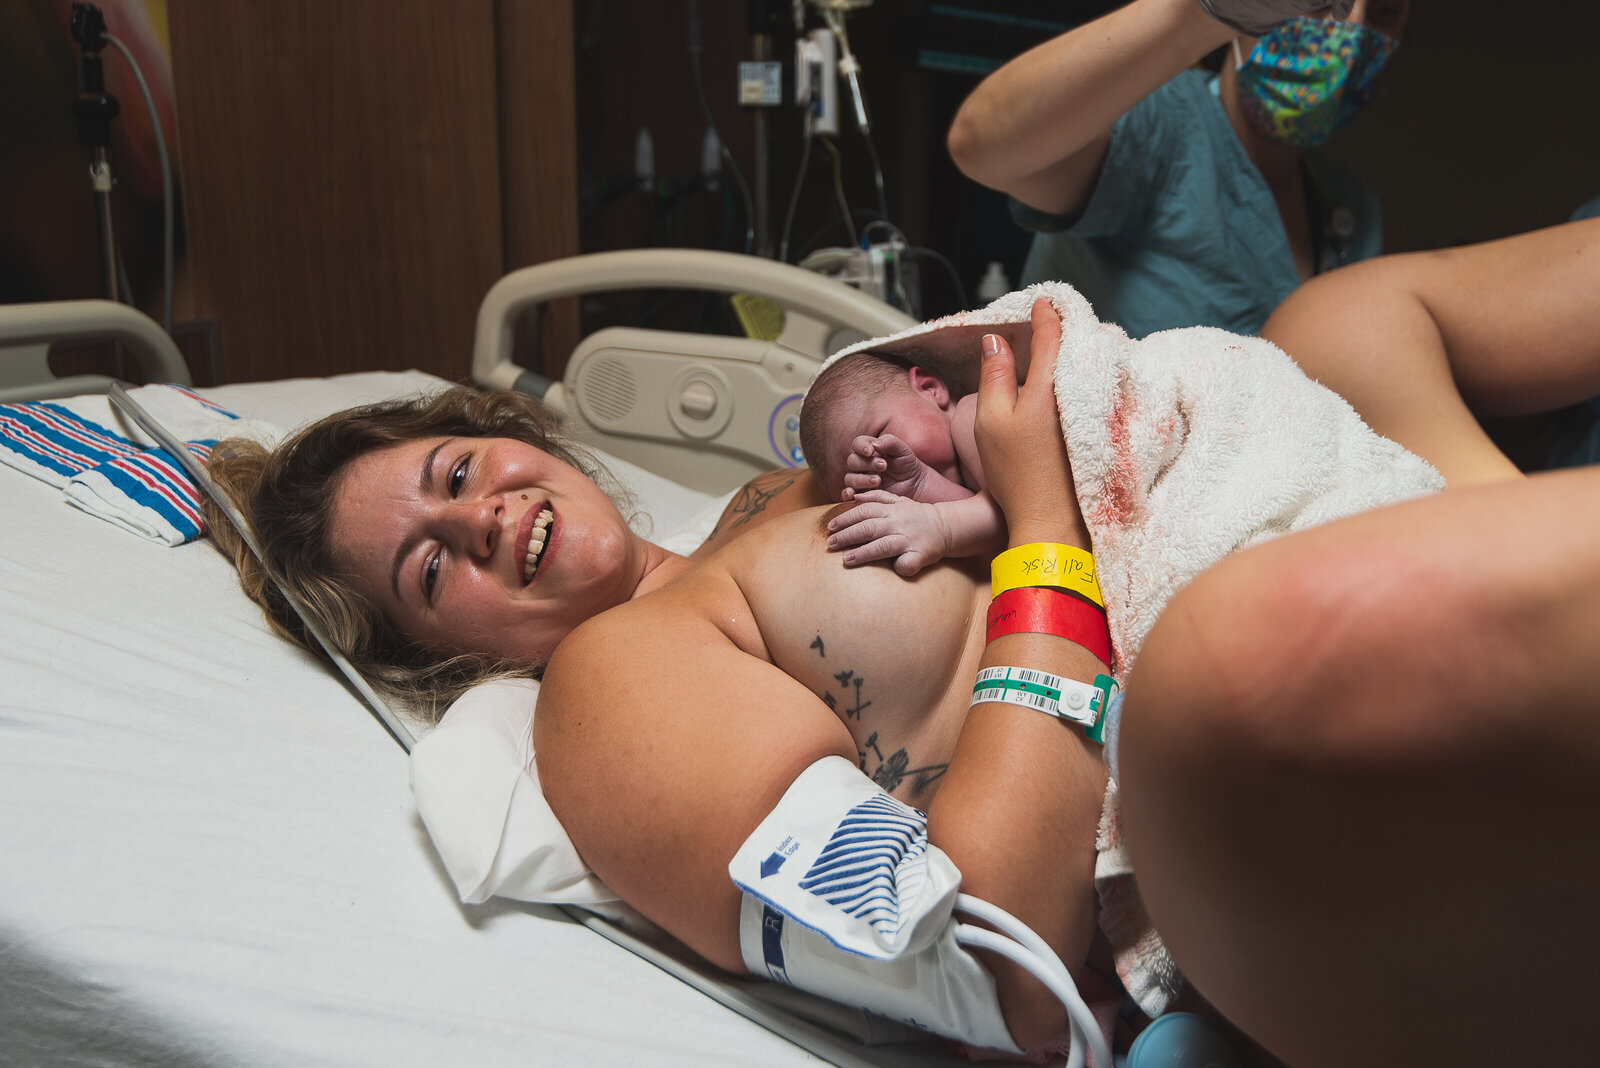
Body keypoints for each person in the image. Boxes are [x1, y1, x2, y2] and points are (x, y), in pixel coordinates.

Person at [205, 218, 1600, 1064]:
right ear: (437, 658)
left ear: (505, 434)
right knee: (1249, 648)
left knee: (1343, 315)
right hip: (1247, 788)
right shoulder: (609, 695)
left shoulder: (760, 497)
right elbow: (999, 963)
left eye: (457, 474)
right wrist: (1047, 521)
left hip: (1312, 546)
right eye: (427, 571)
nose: (486, 520)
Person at [946, 0, 1407, 338]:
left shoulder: (1351, 208)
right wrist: (1200, 12)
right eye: (1321, 4)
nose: (1351, 26)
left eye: (1384, 9)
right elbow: (982, 146)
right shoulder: (1156, 120)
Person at [797, 349, 1005, 576]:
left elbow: (1024, 511)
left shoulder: (976, 415)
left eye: (877, 444)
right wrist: (920, 486)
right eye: (863, 488)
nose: (881, 479)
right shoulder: (971, 489)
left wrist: (941, 526)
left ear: (929, 388)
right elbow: (997, 526)